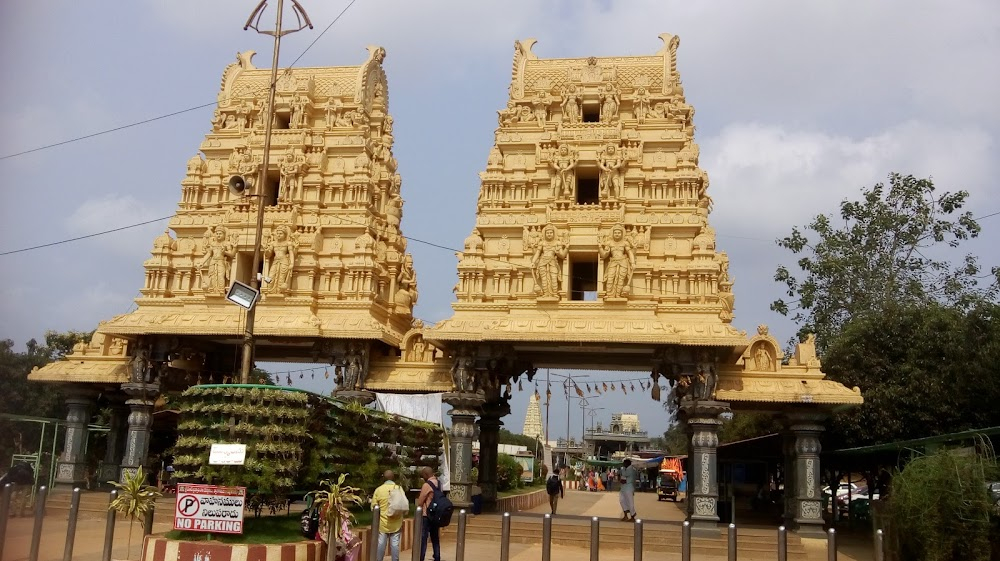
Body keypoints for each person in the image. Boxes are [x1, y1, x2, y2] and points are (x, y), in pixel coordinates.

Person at [370, 470, 404, 561]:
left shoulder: (379, 490)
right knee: (395, 544)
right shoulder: (399, 488)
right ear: (393, 477)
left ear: (383, 478)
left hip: (383, 522)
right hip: (397, 522)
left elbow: (373, 507)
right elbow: (403, 504)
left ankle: (379, 559)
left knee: (381, 543)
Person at [417, 467, 441, 561]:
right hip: (437, 514)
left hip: (427, 514)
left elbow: (420, 501)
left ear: (426, 475)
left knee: (424, 537)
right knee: (435, 537)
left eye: (423, 475)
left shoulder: (427, 485)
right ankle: (437, 556)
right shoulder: (439, 483)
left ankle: (421, 557)